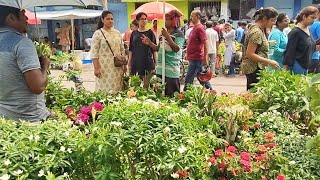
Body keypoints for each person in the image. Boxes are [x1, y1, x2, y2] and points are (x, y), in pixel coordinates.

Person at [0, 5, 50, 122]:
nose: (27, 19)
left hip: (4, 120)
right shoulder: (22, 43)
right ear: (11, 18)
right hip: (29, 120)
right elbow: (38, 86)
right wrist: (45, 66)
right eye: (23, 15)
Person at [141, 10, 184, 96]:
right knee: (159, 95)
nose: (165, 21)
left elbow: (176, 49)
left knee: (171, 96)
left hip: (171, 71)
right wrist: (149, 43)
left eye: (167, 19)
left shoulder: (179, 34)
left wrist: (167, 37)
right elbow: (158, 48)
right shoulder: (163, 34)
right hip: (160, 69)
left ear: (173, 20)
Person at [241, 7, 280, 90]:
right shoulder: (257, 32)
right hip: (254, 68)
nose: (274, 23)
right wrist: (270, 61)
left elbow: (256, 45)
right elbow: (250, 53)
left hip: (254, 67)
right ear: (265, 19)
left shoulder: (257, 28)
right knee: (253, 94)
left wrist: (267, 43)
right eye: (273, 20)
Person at [91, 10, 126, 93]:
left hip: (117, 67)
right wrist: (96, 68)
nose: (110, 21)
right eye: (108, 19)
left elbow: (122, 50)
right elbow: (94, 52)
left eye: (112, 19)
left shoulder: (117, 33)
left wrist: (125, 65)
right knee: (105, 91)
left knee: (118, 89)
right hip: (104, 68)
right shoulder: (98, 34)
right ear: (102, 20)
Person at [284, 6, 320, 75]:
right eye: (312, 18)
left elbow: (307, 45)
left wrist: (315, 48)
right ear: (304, 16)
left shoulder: (308, 29)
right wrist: (285, 69)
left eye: (315, 18)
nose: (313, 20)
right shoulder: (295, 32)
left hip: (306, 65)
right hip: (297, 64)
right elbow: (289, 51)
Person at [184, 10, 212, 90]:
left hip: (197, 58)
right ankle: (211, 91)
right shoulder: (194, 28)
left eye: (192, 16)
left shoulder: (200, 28)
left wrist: (205, 58)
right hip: (194, 57)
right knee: (202, 78)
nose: (190, 18)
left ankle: (185, 95)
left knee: (189, 79)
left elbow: (205, 42)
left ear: (198, 17)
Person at [129, 12, 157, 88]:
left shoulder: (150, 33)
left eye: (145, 19)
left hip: (147, 62)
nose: (144, 21)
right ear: (137, 21)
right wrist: (129, 63)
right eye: (142, 19)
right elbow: (131, 49)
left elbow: (154, 49)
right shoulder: (134, 33)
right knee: (135, 86)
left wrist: (156, 63)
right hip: (136, 63)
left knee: (147, 86)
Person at [308, 5, 320, 73]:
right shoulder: (318, 24)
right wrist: (314, 47)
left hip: (307, 55)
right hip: (314, 56)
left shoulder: (310, 24)